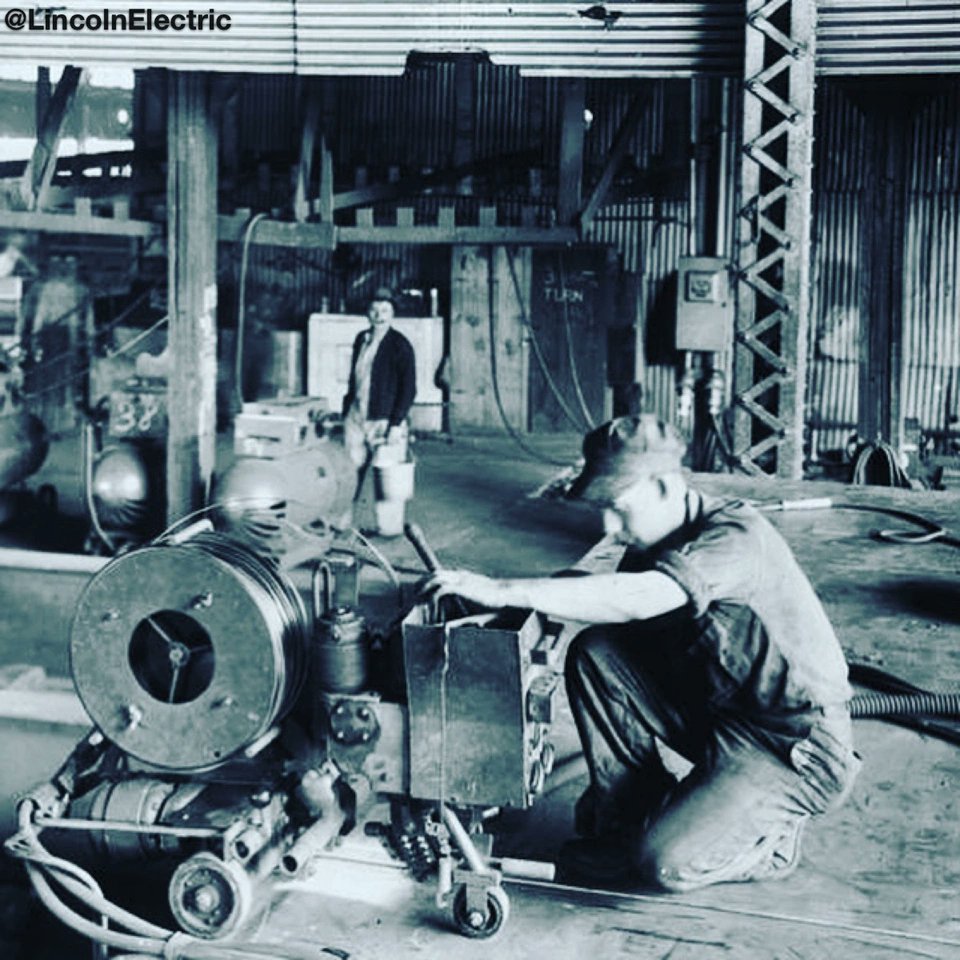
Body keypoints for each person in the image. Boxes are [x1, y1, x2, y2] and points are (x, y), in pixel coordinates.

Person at [423, 414, 861, 891]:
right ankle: (626, 825)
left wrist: (506, 588)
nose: (609, 526)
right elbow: (607, 594)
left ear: (665, 486)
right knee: (597, 654)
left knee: (665, 865)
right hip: (724, 715)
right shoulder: (655, 539)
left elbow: (637, 599)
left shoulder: (735, 539)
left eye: (618, 507)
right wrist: (496, 601)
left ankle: (770, 845)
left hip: (791, 747)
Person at [341, 287, 416, 514]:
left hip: (384, 420)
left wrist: (395, 424)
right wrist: (346, 410)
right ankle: (344, 522)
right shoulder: (361, 339)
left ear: (392, 314)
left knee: (388, 477)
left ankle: (389, 529)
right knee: (350, 471)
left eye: (385, 310)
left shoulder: (400, 345)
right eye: (374, 310)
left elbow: (409, 389)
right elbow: (355, 379)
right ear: (367, 313)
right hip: (356, 415)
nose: (379, 315)